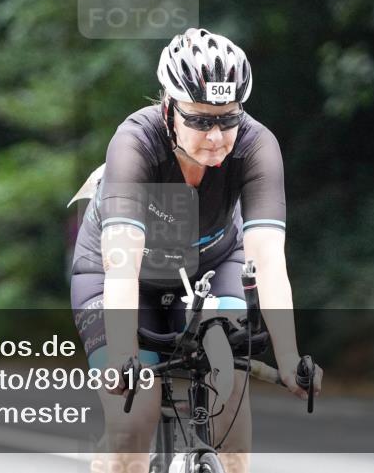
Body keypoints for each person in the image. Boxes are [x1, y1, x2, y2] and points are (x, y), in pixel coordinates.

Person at [70, 28, 324, 473]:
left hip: (213, 263)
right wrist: (124, 355)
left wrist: (288, 357)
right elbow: (122, 263)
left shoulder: (256, 144)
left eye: (228, 118)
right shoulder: (135, 144)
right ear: (168, 110)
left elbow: (266, 258)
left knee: (229, 397)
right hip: (123, 276)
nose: (216, 135)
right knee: (135, 416)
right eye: (200, 120)